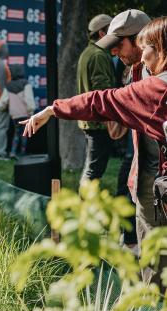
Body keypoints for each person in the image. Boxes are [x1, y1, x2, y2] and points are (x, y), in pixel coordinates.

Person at [20, 16, 167, 289]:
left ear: (155, 47)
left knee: (158, 264)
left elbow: (103, 100)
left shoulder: (156, 86)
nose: (113, 52)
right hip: (148, 180)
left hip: (160, 182)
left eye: (144, 48)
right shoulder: (139, 72)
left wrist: (53, 109)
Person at [95, 10, 158, 252]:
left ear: (140, 39)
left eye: (118, 45)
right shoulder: (132, 71)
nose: (113, 52)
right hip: (142, 171)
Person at [77, 14, 115, 184]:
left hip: (91, 120)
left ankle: (85, 205)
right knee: (93, 171)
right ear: (101, 33)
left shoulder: (88, 52)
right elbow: (102, 91)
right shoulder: (98, 55)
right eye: (111, 31)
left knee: (92, 168)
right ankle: (84, 208)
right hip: (98, 122)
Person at [0, 64, 36, 159]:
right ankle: (22, 152)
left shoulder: (8, 85)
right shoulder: (26, 84)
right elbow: (29, 99)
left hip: (14, 114)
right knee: (24, 133)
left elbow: (3, 101)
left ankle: (13, 152)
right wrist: (31, 111)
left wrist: (1, 108)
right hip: (25, 114)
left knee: (16, 133)